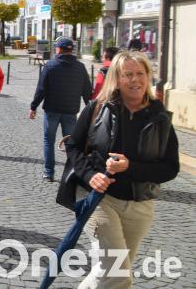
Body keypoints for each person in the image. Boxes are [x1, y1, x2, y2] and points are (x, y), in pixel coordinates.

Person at [64, 51, 179, 287]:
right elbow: (73, 145)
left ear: (148, 77)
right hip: (99, 198)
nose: (135, 80)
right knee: (117, 272)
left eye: (140, 73)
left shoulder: (159, 116)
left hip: (140, 204)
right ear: (116, 77)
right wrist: (90, 174)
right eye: (127, 74)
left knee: (109, 270)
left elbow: (170, 168)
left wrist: (130, 167)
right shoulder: (98, 108)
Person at [30, 37, 93, 182]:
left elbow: (41, 89)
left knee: (48, 141)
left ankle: (48, 173)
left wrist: (33, 107)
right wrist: (91, 111)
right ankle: (72, 173)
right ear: (71, 51)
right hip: (71, 111)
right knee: (71, 144)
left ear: (58, 49)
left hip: (52, 110)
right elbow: (87, 92)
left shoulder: (50, 65)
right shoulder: (80, 67)